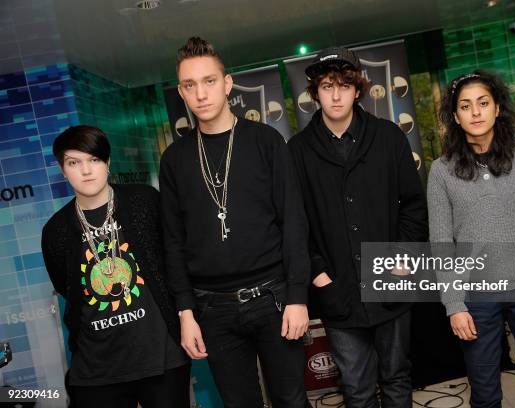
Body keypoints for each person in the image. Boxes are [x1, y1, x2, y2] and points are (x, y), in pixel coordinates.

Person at [159, 37, 310, 408]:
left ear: (227, 84)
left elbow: (294, 221)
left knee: (291, 400)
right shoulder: (175, 160)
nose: (201, 93)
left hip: (273, 297)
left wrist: (297, 296)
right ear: (181, 92)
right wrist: (185, 313)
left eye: (209, 81)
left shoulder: (266, 142)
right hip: (212, 308)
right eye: (190, 85)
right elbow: (173, 241)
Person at [288, 47, 428, 408]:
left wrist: (401, 258)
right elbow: (294, 222)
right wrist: (318, 274)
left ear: (357, 90)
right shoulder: (298, 151)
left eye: (344, 86)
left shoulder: (389, 137)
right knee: (356, 387)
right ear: (314, 91)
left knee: (397, 377)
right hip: (337, 289)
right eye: (327, 86)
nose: (336, 95)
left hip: (391, 279)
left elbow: (414, 205)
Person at [428, 70, 515, 407]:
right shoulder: (441, 170)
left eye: (483, 103)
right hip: (476, 298)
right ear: (455, 116)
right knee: (486, 395)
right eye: (465, 106)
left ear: (497, 109)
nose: (475, 112)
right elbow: (441, 244)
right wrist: (453, 305)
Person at [41, 125, 190, 408]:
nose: (86, 170)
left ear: (107, 162)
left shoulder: (143, 201)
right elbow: (67, 288)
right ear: (63, 170)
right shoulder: (56, 231)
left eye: (94, 160)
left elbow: (174, 261)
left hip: (161, 359)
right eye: (74, 162)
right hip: (97, 370)